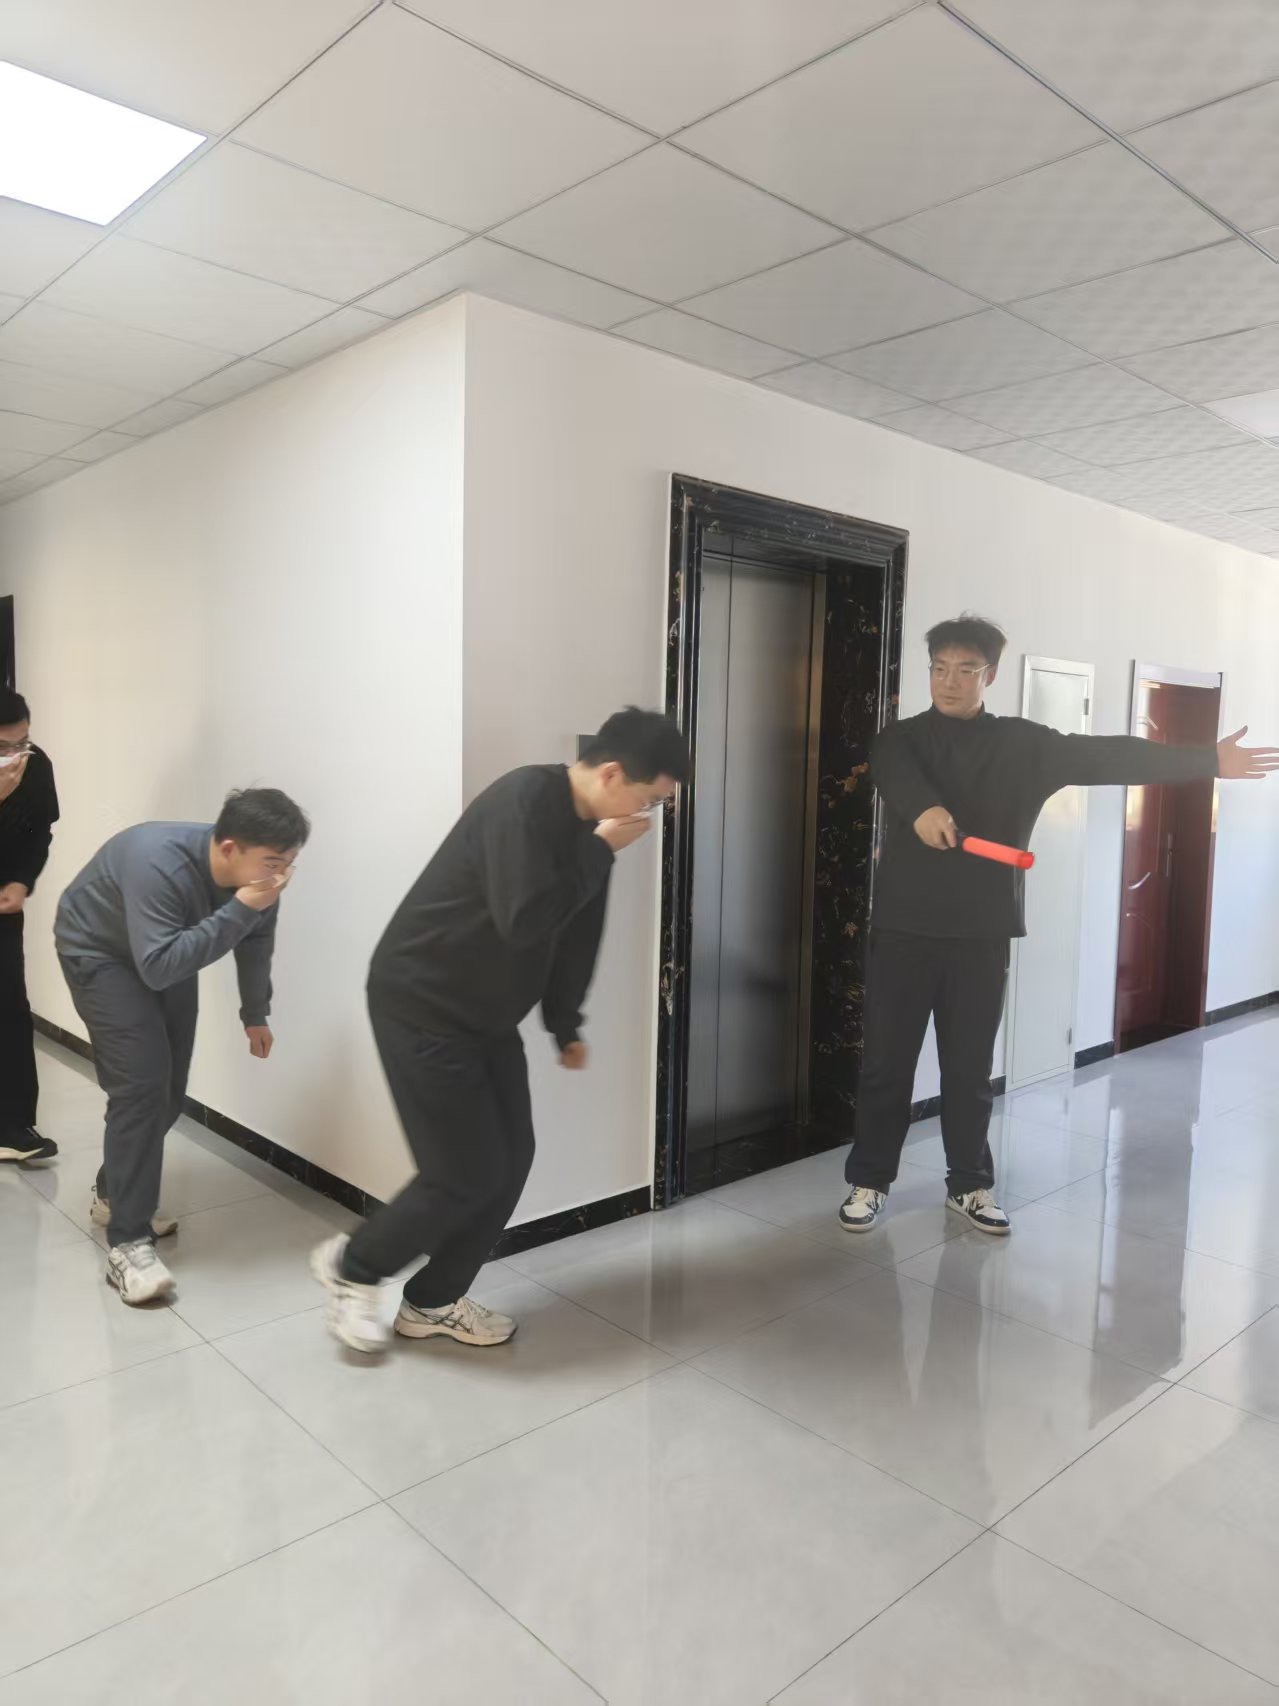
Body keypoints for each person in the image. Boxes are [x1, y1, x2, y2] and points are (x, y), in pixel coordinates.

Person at [840, 614, 1279, 1238]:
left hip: (981, 934)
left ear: (990, 675)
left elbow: (1107, 754)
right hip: (904, 931)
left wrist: (1206, 759)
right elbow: (895, 774)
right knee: (887, 1064)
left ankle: (969, 1185)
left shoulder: (1023, 745)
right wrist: (925, 809)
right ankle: (869, 1181)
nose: (949, 681)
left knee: (968, 1069)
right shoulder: (902, 740)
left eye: (965, 669)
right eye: (939, 668)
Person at [313, 707, 690, 1355]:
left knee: (510, 1161)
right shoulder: (525, 800)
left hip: (484, 1016)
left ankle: (432, 1301)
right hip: (421, 1002)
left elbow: (577, 934)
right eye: (650, 798)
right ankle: (354, 1266)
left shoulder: (591, 837)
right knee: (460, 1170)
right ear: (610, 774)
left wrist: (565, 1022)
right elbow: (525, 918)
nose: (648, 814)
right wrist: (599, 850)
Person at [55, 788, 310, 1305]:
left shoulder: (258, 883)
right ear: (230, 848)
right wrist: (242, 907)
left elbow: (255, 940)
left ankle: (114, 1192)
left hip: (163, 951)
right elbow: (159, 966)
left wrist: (255, 1013)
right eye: (273, 862)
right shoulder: (159, 863)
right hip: (100, 953)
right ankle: (128, 1244)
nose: (281, 875)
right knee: (141, 1089)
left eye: (289, 863)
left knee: (170, 1091)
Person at [0, 688, 60, 1166]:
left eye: (22, 742)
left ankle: (13, 1126)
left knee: (10, 1007)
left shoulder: (36, 765)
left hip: (3, 904)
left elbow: (40, 831)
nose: (16, 755)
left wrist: (22, 879)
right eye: (4, 747)